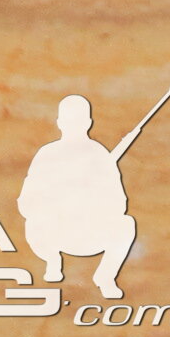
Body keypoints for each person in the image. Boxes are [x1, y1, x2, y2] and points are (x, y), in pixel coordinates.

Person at [20, 94, 142, 299]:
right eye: (69, 121)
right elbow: (26, 202)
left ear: (88, 123)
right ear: (59, 123)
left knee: (126, 224)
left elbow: (119, 204)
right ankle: (52, 261)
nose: (72, 125)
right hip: (54, 233)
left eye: (77, 121)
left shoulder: (100, 155)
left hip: (90, 233)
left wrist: (92, 199)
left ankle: (105, 277)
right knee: (32, 223)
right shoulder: (46, 155)